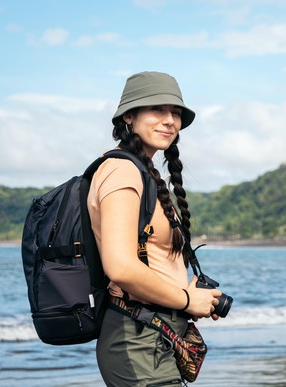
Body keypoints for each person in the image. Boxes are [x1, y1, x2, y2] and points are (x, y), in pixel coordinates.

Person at [87, 71, 222, 386]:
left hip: (155, 334)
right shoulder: (121, 171)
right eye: (157, 110)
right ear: (129, 117)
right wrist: (187, 300)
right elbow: (120, 267)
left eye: (175, 112)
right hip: (137, 338)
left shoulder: (144, 173)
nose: (170, 120)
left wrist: (188, 296)